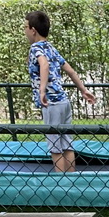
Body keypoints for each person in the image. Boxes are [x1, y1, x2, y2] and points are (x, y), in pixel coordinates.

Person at [24, 10, 96, 172]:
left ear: (33, 30)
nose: (25, 31)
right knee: (66, 144)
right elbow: (70, 70)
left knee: (55, 146)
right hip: (64, 102)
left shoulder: (36, 48)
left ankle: (61, 187)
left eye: (25, 27)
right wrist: (83, 90)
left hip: (51, 104)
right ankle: (70, 183)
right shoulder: (51, 48)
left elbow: (44, 64)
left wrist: (42, 91)